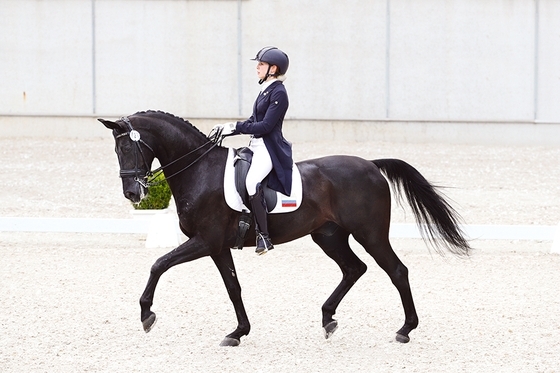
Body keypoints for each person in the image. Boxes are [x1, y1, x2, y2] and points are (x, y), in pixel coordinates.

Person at [214, 46, 293, 255]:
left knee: (251, 182)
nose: (257, 67)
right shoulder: (265, 89)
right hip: (255, 145)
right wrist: (228, 128)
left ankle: (263, 236)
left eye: (261, 64)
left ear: (273, 68)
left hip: (269, 147)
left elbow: (266, 126)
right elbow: (253, 121)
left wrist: (237, 127)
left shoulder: (279, 93)